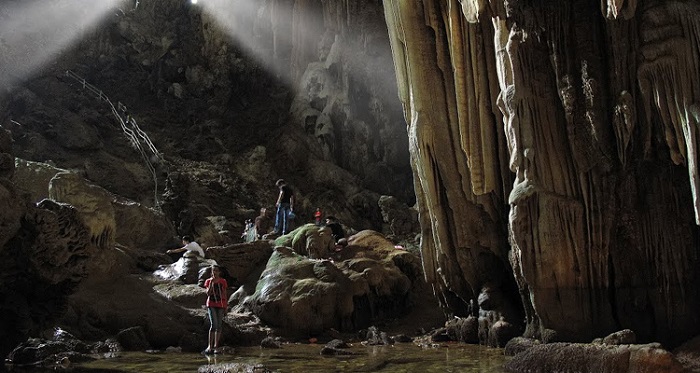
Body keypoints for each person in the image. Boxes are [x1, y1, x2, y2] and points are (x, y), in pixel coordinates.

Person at [203, 265, 228, 355]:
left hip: (221, 305)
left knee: (219, 325)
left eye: (216, 271)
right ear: (211, 272)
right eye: (213, 271)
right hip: (211, 304)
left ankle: (216, 346)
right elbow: (208, 293)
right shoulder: (208, 281)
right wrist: (211, 284)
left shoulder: (223, 281)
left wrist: (226, 307)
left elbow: (224, 294)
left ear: (219, 272)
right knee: (214, 324)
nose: (215, 273)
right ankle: (210, 346)